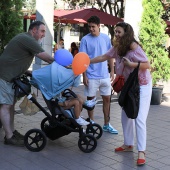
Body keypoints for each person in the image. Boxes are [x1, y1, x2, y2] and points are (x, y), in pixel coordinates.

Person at [90, 22, 152, 166]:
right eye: (115, 32)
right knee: (125, 116)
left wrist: (132, 65)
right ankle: (128, 144)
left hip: (142, 85)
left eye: (119, 32)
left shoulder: (134, 48)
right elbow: (104, 57)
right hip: (128, 87)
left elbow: (147, 65)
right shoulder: (118, 47)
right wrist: (87, 61)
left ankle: (141, 151)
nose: (116, 34)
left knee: (139, 118)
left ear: (126, 33)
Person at [0, 21, 54, 146]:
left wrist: (27, 71)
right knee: (6, 106)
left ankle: (12, 132)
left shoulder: (25, 38)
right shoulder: (28, 39)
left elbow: (16, 58)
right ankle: (9, 137)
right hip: (4, 76)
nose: (43, 35)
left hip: (9, 76)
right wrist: (64, 65)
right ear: (34, 30)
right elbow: (47, 58)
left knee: (10, 105)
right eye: (42, 31)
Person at [79, 16, 118, 134]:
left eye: (93, 26)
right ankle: (91, 123)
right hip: (91, 76)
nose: (91, 29)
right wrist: (84, 76)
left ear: (99, 26)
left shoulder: (106, 38)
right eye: (89, 26)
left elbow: (110, 55)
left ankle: (107, 124)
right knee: (91, 101)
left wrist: (112, 71)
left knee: (107, 100)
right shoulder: (85, 40)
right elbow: (82, 59)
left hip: (105, 76)